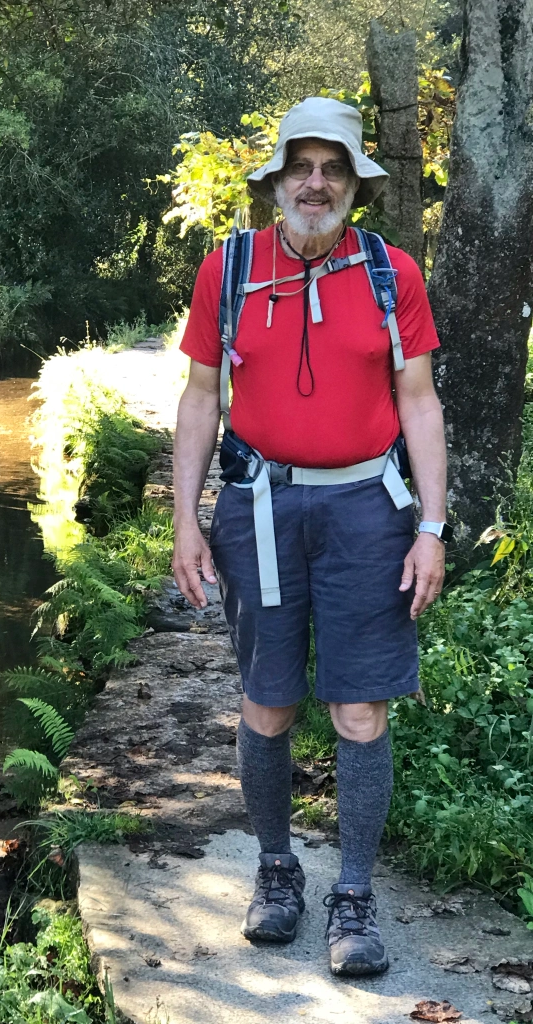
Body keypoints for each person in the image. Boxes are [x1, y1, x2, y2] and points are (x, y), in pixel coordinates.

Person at [172, 96, 449, 977]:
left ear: (355, 183)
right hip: (260, 507)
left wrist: (432, 529)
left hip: (370, 511)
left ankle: (355, 896)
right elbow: (199, 399)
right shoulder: (229, 265)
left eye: (333, 167)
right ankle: (278, 872)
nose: (316, 183)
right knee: (268, 701)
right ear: (277, 180)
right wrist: (184, 518)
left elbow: (419, 402)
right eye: (302, 166)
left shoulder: (390, 272)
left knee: (360, 708)